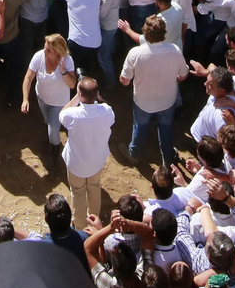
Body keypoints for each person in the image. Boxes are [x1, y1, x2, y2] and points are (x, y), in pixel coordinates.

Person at [118, 15, 189, 167]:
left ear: (145, 32)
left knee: (140, 127)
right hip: (167, 101)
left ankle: (134, 154)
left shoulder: (135, 53)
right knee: (166, 128)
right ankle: (168, 158)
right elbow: (183, 75)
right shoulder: (174, 50)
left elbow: (124, 81)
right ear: (164, 32)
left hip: (143, 102)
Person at [59, 76, 115, 223]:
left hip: (76, 165)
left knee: (77, 193)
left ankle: (80, 225)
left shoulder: (73, 115)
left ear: (80, 95)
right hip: (96, 162)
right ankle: (94, 220)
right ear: (97, 94)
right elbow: (108, 114)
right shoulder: (107, 111)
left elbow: (62, 114)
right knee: (95, 187)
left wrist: (77, 97)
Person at [22, 33, 78, 148]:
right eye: (44, 47)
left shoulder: (67, 61)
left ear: (56, 51)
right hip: (42, 98)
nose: (44, 51)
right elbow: (28, 78)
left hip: (59, 103)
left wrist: (63, 71)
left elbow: (72, 85)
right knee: (47, 120)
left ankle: (54, 155)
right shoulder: (38, 56)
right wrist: (25, 99)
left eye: (48, 50)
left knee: (53, 132)